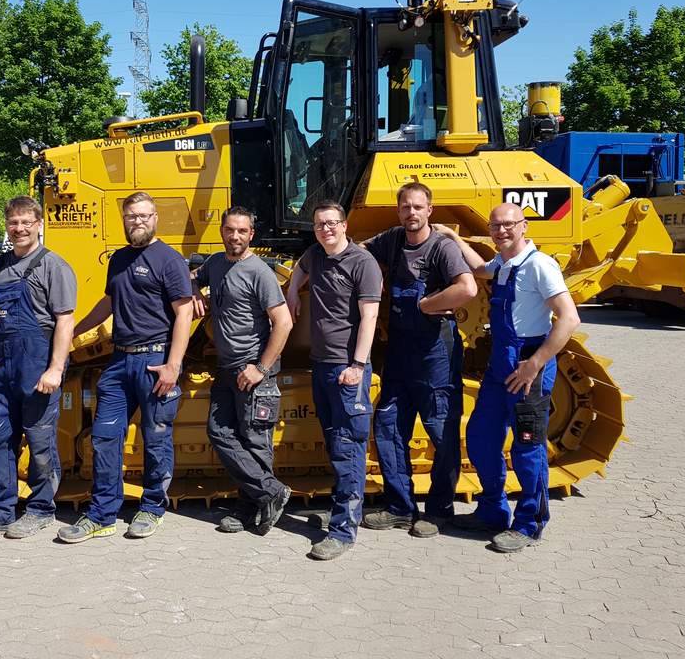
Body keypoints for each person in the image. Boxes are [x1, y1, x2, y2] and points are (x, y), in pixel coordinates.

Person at [435, 202, 581, 553]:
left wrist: (536, 363)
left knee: (527, 448)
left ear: (524, 226)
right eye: (495, 226)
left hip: (528, 365)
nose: (501, 231)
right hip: (501, 366)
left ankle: (529, 523)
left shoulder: (540, 266)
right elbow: (481, 269)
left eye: (508, 225)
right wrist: (453, 238)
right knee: (482, 437)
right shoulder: (503, 263)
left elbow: (569, 318)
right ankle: (492, 511)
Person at [58, 192, 193, 543]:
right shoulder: (118, 259)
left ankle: (151, 508)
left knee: (155, 439)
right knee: (105, 438)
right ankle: (102, 515)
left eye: (144, 215)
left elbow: (184, 312)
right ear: (124, 219)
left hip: (155, 361)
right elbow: (110, 301)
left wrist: (172, 365)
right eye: (131, 216)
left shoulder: (169, 260)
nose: (138, 221)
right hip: (119, 362)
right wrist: (75, 330)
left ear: (155, 217)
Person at [0, 195, 76, 541]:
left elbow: (65, 322)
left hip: (37, 367)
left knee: (39, 442)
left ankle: (40, 510)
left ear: (39, 225)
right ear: (7, 226)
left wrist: (55, 369)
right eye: (13, 222)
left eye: (26, 222)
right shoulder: (1, 266)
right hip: (4, 367)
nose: (19, 228)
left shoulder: (54, 266)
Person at [361, 182, 477, 538]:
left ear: (429, 210)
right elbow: (359, 250)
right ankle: (400, 507)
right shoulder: (393, 239)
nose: (411, 213)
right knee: (388, 426)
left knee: (440, 429)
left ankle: (439, 509)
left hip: (434, 353)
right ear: (399, 211)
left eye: (417, 207)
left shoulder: (441, 248)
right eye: (405, 207)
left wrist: (427, 304)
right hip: (400, 350)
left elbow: (468, 288)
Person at [286, 201, 382, 560]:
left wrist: (358, 365)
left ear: (344, 226)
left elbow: (369, 316)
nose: (325, 229)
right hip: (322, 366)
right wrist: (294, 289)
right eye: (319, 225)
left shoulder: (362, 263)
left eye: (331, 223)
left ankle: (344, 530)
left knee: (347, 448)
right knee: (333, 440)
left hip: (347, 368)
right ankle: (344, 512)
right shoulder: (316, 254)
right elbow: (300, 268)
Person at [192, 206, 294, 535]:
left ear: (251, 235)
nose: (235, 236)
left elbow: (284, 321)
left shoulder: (259, 272)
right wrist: (194, 290)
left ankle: (251, 508)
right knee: (219, 432)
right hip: (226, 368)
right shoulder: (217, 264)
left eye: (241, 231)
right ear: (222, 232)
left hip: (253, 368)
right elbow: (191, 276)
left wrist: (260, 368)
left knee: (255, 441)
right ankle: (269, 493)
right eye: (229, 230)